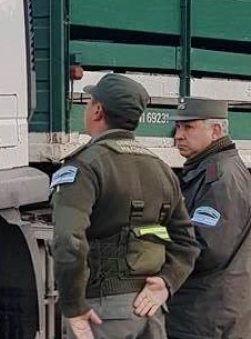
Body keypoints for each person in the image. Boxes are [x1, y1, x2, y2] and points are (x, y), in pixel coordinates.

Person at [51, 73, 199, 339]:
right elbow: (186, 242)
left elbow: (68, 240)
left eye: (89, 103)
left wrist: (73, 307)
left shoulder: (84, 166)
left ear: (97, 111)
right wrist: (167, 283)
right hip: (150, 312)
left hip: (101, 314)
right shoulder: (162, 169)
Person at [166, 97, 251, 339]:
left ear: (215, 131)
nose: (178, 135)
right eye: (178, 127)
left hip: (206, 316)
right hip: (208, 311)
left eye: (188, 127)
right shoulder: (209, 170)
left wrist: (153, 244)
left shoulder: (220, 178)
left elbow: (205, 247)